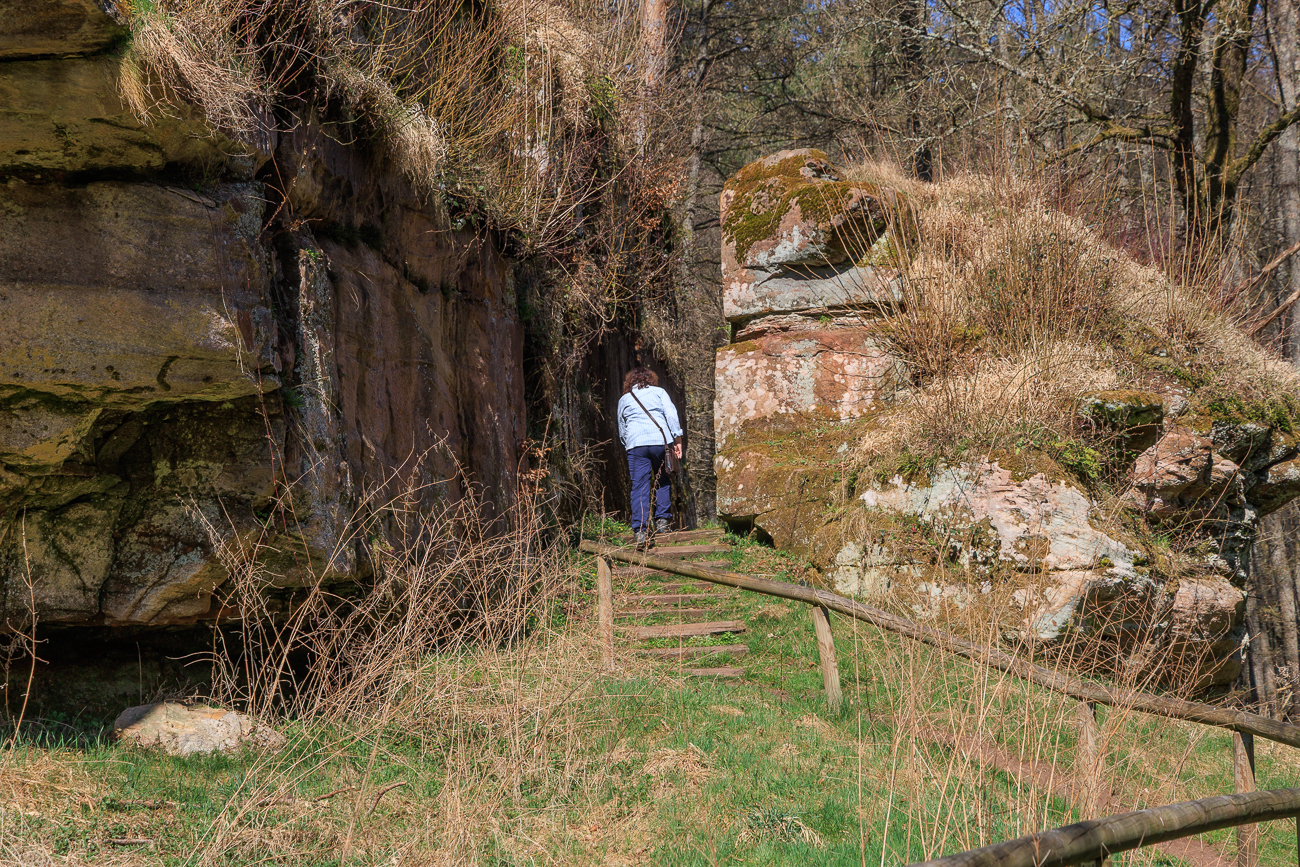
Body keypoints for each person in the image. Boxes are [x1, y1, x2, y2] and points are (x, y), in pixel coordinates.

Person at [617, 367, 683, 549]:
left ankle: (640, 532)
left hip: (636, 444)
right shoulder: (659, 392)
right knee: (663, 479)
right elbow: (670, 414)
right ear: (650, 379)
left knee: (639, 487)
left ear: (630, 381)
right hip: (660, 442)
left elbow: (622, 427)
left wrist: (628, 443)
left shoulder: (625, 399)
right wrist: (677, 438)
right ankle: (662, 522)